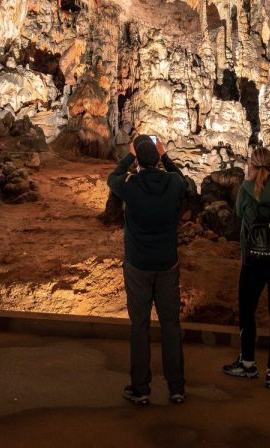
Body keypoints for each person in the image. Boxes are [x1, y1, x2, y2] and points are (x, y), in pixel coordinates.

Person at [106, 134, 187, 405]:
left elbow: (112, 178)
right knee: (171, 324)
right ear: (159, 159)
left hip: (138, 265)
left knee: (139, 326)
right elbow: (185, 182)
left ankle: (141, 389)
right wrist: (165, 156)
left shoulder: (130, 186)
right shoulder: (173, 183)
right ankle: (176, 387)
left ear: (138, 161)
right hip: (167, 264)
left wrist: (130, 155)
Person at [223, 146, 270, 390]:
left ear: (251, 166)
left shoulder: (245, 188)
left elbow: (238, 213)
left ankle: (248, 364)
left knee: (247, 311)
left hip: (253, 261)